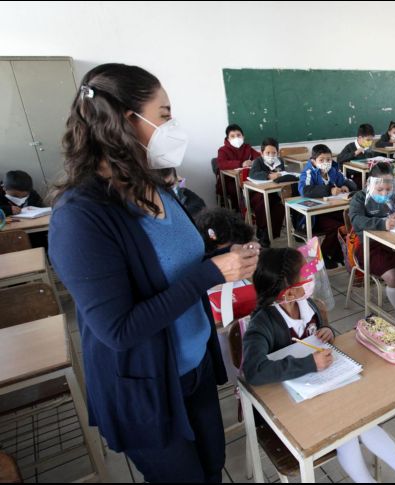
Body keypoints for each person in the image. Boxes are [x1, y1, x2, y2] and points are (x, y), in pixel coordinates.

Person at [48, 63, 259, 483]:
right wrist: (211, 274)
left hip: (193, 365)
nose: (172, 125)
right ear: (128, 121)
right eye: (163, 115)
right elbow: (119, 329)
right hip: (145, 385)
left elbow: (176, 265)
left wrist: (221, 255)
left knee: (211, 467)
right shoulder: (81, 217)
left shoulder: (155, 187)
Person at [241, 248, 395, 484]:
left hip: (322, 388)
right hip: (289, 406)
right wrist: (309, 363)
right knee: (346, 432)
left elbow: (319, 333)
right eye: (305, 273)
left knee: (363, 421)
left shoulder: (308, 305)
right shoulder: (262, 323)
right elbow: (254, 371)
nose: (312, 277)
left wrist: (328, 331)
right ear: (287, 292)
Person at [349, 162, 395, 323]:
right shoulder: (359, 197)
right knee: (394, 277)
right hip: (370, 247)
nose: (385, 193)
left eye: (388, 189)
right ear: (369, 183)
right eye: (380, 189)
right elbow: (356, 221)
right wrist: (381, 224)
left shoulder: (394, 196)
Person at [216, 124, 260, 209]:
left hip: (247, 178)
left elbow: (259, 158)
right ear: (228, 139)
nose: (236, 138)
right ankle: (239, 212)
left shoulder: (248, 148)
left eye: (238, 135)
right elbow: (221, 164)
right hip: (230, 181)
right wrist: (241, 163)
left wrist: (254, 162)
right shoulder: (223, 150)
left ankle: (252, 210)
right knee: (235, 189)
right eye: (232, 136)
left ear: (243, 136)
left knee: (257, 188)